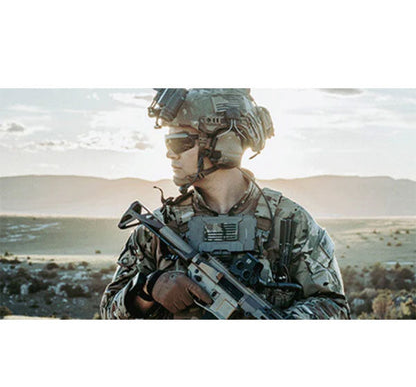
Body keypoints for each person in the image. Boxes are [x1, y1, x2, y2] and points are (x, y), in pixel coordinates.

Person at [100, 89, 350, 319]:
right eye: (167, 143)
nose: (170, 154)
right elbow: (108, 312)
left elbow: (334, 307)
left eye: (179, 142)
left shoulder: (290, 223)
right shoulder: (158, 229)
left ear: (222, 143)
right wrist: (148, 289)